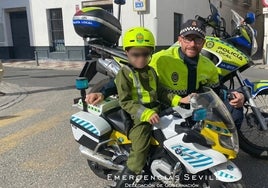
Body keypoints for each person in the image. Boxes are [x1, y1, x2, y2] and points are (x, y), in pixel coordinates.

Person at [85, 19, 244, 128]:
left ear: (204, 42)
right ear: (180, 40)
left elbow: (215, 90)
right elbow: (133, 76)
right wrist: (103, 92)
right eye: (188, 39)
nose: (192, 44)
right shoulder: (161, 59)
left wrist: (234, 96)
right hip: (165, 111)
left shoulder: (208, 66)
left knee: (235, 112)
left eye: (198, 40)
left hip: (191, 111)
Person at [113, 27, 182, 187]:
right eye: (135, 54)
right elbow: (125, 101)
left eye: (145, 54)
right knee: (140, 150)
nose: (141, 58)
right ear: (127, 53)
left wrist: (180, 100)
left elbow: (162, 92)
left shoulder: (151, 71)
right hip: (138, 118)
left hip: (156, 111)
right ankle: (124, 182)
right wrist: (145, 113)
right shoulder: (124, 73)